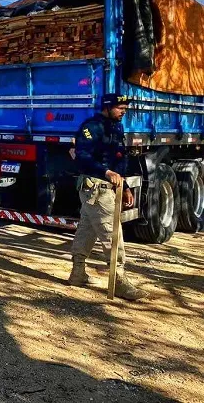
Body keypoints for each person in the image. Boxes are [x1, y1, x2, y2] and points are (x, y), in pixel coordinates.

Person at [69, 93, 147, 301]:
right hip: (95, 188)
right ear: (108, 107)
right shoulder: (91, 127)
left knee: (87, 229)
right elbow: (82, 156)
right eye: (120, 108)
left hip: (108, 187)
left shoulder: (116, 126)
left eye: (125, 108)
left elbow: (120, 159)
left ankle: (77, 273)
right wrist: (106, 173)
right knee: (112, 233)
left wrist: (127, 186)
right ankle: (119, 281)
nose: (124, 111)